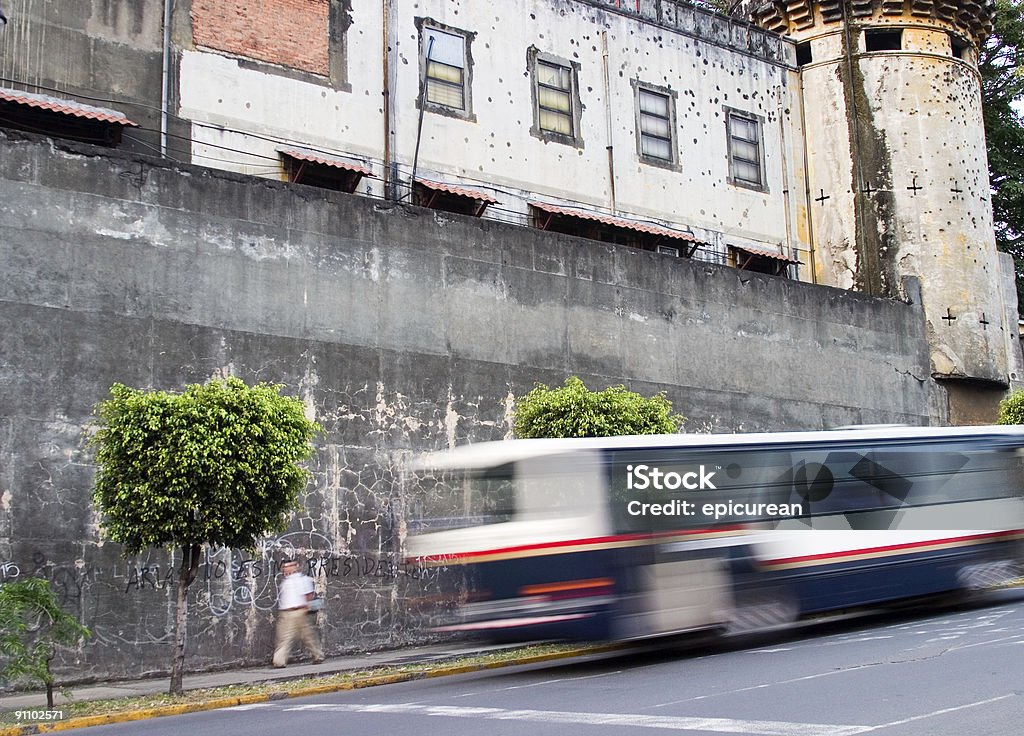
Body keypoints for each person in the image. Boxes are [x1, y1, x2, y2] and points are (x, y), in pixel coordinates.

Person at [272, 559, 324, 668]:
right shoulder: (286, 581)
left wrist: (305, 606)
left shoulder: (302, 580)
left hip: (299, 611)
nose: (286, 568)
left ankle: (317, 655)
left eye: (289, 566)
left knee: (305, 635)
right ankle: (317, 654)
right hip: (287, 612)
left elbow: (308, 595)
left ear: (296, 566)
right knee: (290, 637)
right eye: (285, 567)